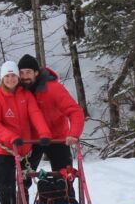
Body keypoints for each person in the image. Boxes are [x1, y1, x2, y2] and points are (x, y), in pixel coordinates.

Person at [0, 60, 51, 204]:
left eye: (13, 75)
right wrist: (11, 137)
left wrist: (44, 133)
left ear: (17, 77)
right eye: (7, 76)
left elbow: (35, 114)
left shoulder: (25, 95)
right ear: (2, 78)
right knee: (5, 186)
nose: (10, 79)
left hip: (24, 149)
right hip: (4, 149)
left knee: (24, 183)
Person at [17, 54, 85, 192]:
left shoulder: (52, 89)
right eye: (22, 73)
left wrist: (74, 134)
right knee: (23, 179)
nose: (25, 76)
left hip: (57, 138)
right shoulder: (18, 90)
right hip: (32, 141)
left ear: (36, 72)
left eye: (28, 72)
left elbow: (75, 111)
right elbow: (1, 103)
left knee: (65, 178)